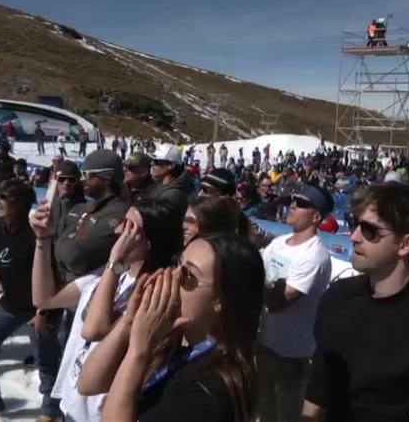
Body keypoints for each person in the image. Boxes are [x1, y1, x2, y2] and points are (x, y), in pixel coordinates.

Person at [302, 183, 409, 421]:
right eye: (354, 223)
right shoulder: (337, 296)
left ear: (405, 244)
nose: (354, 236)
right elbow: (318, 388)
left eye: (370, 230)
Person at [29, 197, 183, 422]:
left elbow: (94, 330)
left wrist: (115, 262)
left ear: (149, 241)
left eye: (130, 226)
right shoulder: (109, 273)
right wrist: (43, 240)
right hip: (72, 402)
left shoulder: (150, 290)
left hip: (98, 412)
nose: (119, 229)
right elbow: (45, 298)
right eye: (122, 221)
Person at [82, 234, 265, 422]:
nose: (172, 278)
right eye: (177, 264)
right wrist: (129, 320)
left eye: (188, 275)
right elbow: (89, 383)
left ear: (220, 301)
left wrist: (139, 351)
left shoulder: (208, 391)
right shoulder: (172, 339)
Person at [0, 180, 61, 421]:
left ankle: (51, 410)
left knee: (46, 362)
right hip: (10, 305)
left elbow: (55, 277)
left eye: (3, 197)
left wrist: (43, 313)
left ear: (20, 202)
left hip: (41, 308)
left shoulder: (36, 234)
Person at [258, 185, 333, 422]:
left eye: (301, 203)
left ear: (316, 216)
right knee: (263, 412)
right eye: (292, 201)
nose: (292, 206)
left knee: (286, 416)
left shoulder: (314, 255)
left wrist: (255, 283)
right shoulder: (279, 242)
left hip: (291, 353)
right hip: (264, 343)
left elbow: (279, 302)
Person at [54, 149, 128, 284]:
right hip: (73, 289)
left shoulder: (118, 213)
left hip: (94, 293)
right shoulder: (87, 207)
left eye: (87, 175)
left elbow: (73, 256)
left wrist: (61, 245)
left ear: (106, 179)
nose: (81, 180)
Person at [145, 143, 193, 218]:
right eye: (152, 161)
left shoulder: (173, 194)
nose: (152, 164)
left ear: (170, 166)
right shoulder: (159, 183)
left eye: (156, 161)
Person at [50, 160, 86, 243]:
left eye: (71, 180)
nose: (66, 183)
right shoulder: (50, 204)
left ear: (77, 182)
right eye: (62, 179)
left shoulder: (85, 207)